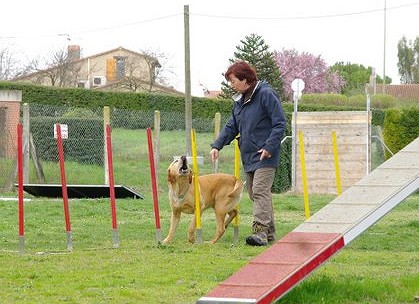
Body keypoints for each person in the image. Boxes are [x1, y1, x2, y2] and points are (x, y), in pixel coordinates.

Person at [210, 61, 286, 246]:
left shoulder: (266, 94)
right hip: (249, 155)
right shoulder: (240, 101)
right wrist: (217, 145)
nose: (231, 84)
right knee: (255, 193)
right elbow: (232, 126)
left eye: (233, 80)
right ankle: (269, 234)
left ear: (245, 80)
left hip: (265, 154)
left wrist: (269, 147)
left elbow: (279, 123)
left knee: (260, 191)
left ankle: (259, 232)